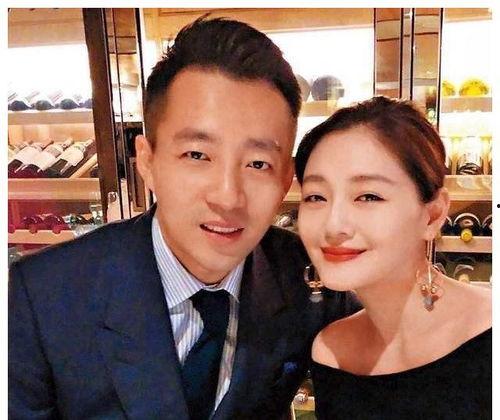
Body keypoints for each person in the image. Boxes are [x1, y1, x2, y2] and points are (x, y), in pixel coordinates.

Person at [9, 17, 359, 420]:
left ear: (285, 180)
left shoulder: (309, 280)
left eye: (258, 163)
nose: (227, 197)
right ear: (147, 161)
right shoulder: (41, 299)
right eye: (197, 155)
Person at [295, 96, 492, 419]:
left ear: (433, 215)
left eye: (368, 196)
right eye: (316, 197)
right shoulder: (331, 352)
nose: (333, 226)